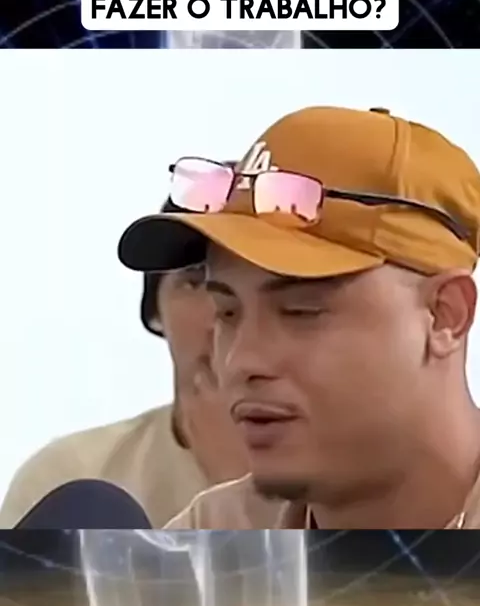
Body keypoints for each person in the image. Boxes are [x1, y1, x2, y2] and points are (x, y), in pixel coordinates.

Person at [118, 105, 480, 530]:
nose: (239, 361)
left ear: (444, 316)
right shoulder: (208, 541)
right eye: (227, 313)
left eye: (300, 312)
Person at [0, 198, 248, 529]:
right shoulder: (70, 472)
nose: (220, 314)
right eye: (196, 280)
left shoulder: (320, 477)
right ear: (155, 312)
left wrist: (241, 483)